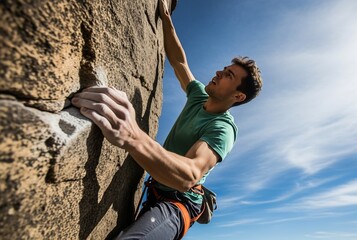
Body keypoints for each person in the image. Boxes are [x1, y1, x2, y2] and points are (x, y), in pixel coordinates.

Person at [72, 0, 262, 239]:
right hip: (156, 191)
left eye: (228, 75)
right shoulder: (198, 96)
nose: (218, 73)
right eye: (223, 69)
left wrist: (132, 136)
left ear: (238, 95)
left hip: (178, 204)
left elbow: (190, 174)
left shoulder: (222, 128)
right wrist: (166, 19)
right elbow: (179, 62)